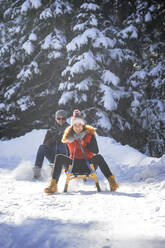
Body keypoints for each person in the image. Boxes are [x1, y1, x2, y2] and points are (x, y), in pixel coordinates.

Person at [44, 109, 119, 193]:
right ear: (72, 126)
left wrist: (85, 144)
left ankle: (112, 182)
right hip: (73, 165)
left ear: (83, 125)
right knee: (59, 157)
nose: (78, 127)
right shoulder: (69, 137)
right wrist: (65, 167)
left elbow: (96, 151)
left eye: (79, 125)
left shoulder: (89, 135)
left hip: (88, 164)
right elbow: (68, 154)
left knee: (99, 157)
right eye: (75, 125)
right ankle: (53, 185)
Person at [33, 109, 69, 179]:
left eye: (63, 118)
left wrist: (65, 139)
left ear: (65, 119)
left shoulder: (69, 129)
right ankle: (37, 171)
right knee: (42, 147)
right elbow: (45, 143)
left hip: (65, 156)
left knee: (63, 146)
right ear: (56, 119)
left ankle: (74, 171)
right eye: (59, 118)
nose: (61, 120)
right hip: (53, 155)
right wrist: (53, 138)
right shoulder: (52, 130)